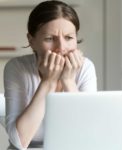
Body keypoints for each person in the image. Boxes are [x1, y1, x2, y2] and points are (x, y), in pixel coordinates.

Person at [4, 0, 97, 149]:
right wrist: (48, 82)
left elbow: (90, 133)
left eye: (68, 38)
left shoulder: (85, 67)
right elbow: (19, 142)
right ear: (31, 40)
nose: (61, 48)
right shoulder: (17, 68)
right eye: (49, 38)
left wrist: (68, 81)